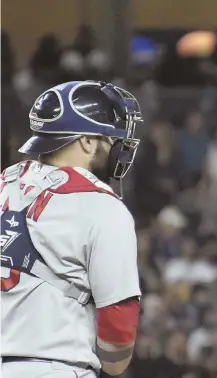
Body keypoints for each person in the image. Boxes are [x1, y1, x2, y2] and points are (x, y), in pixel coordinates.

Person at [0, 80, 143, 377]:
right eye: (110, 138)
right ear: (87, 141)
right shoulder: (102, 206)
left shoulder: (4, 183)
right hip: (53, 367)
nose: (118, 146)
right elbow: (117, 338)